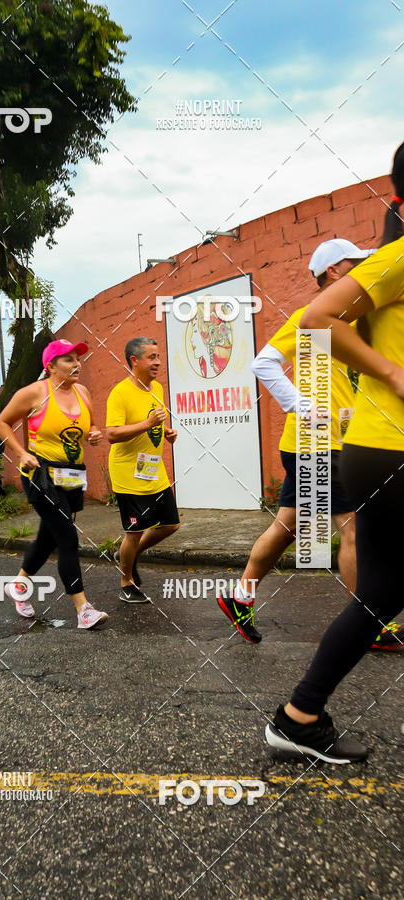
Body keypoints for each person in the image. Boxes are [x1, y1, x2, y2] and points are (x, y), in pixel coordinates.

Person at [265, 143, 404, 763]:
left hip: (363, 446)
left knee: (376, 588)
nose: (351, 268)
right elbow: (283, 347)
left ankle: (300, 716)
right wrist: (390, 378)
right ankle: (246, 587)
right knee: (302, 527)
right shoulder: (386, 268)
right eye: (342, 265)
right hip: (371, 448)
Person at [217, 238, 402, 651]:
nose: (362, 271)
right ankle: (368, 624)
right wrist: (301, 405)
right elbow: (262, 362)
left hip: (332, 443)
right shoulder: (308, 317)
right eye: (355, 264)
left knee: (287, 526)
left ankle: (239, 596)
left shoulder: (353, 320)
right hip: (316, 444)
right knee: (353, 529)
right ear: (334, 271)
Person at [0, 339, 108, 630]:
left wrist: (93, 434)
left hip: (71, 475)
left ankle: (19, 585)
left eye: (77, 359)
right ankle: (83, 609)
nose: (77, 364)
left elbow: (91, 426)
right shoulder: (34, 393)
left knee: (49, 537)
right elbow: (1, 423)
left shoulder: (82, 392)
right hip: (40, 475)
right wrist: (22, 454)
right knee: (68, 537)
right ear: (51, 366)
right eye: (68, 360)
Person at [106, 337, 179, 602]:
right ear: (134, 361)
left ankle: (129, 554)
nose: (158, 362)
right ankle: (126, 582)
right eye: (151, 357)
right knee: (134, 532)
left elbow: (154, 423)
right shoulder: (120, 393)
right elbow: (112, 434)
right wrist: (148, 424)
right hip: (127, 473)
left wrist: (166, 432)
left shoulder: (156, 388)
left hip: (153, 471)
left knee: (171, 525)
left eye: (158, 356)